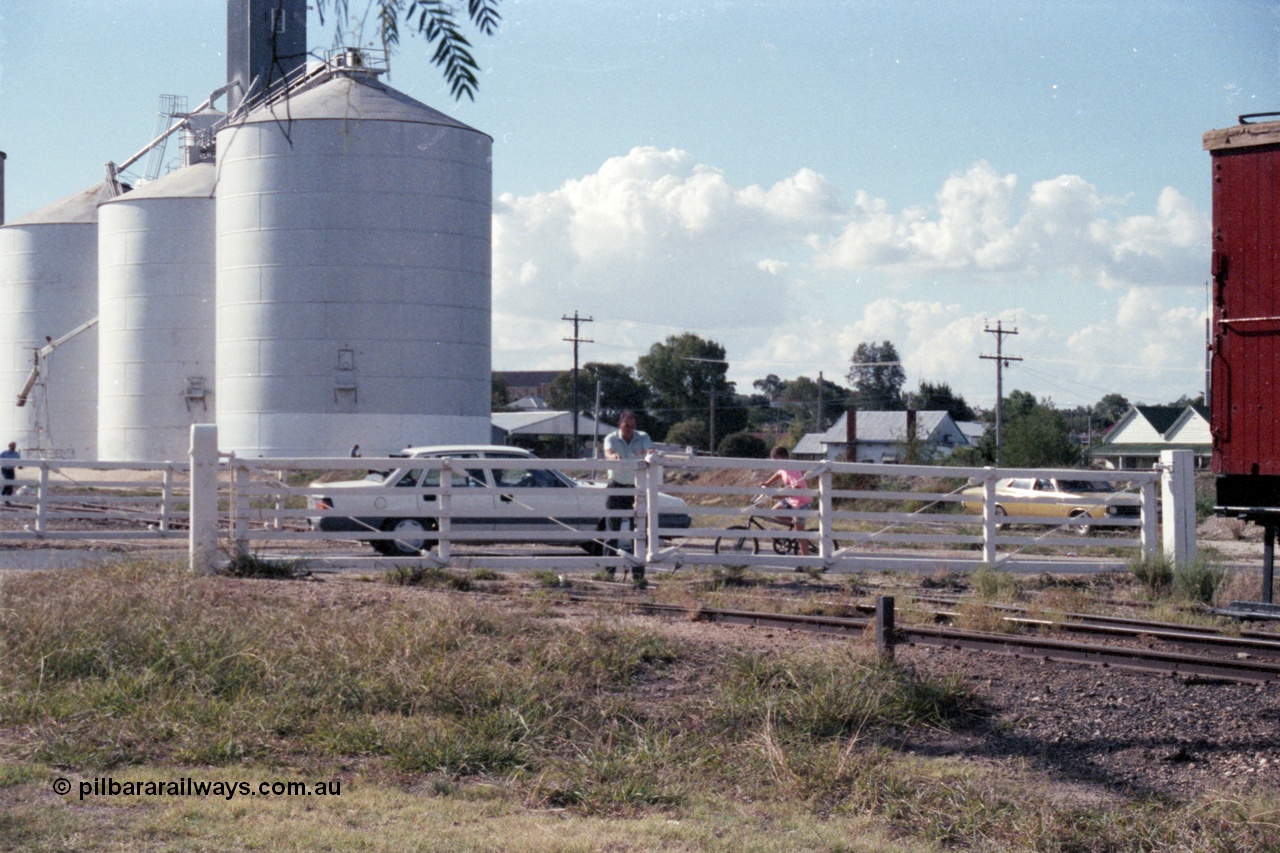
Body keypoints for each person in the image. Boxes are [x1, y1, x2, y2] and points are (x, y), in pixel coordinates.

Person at [602, 410, 654, 580]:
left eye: (632, 426)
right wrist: (612, 456)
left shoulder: (643, 436)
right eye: (626, 426)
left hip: (636, 488)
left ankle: (638, 574)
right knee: (612, 530)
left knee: (638, 531)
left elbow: (649, 450)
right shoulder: (611, 438)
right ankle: (608, 573)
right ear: (619, 425)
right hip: (616, 487)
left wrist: (651, 453)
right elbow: (607, 453)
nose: (629, 430)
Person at [761, 446, 811, 557]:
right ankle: (795, 523)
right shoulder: (784, 467)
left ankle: (807, 562)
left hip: (801, 502)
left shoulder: (791, 469)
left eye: (775, 461)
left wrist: (779, 496)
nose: (775, 464)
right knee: (775, 511)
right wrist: (767, 483)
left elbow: (797, 489)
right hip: (792, 499)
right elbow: (779, 473)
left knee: (799, 534)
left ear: (781, 458)